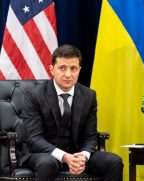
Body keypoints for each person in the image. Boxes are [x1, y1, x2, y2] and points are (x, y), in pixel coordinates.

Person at [20, 44, 123, 181]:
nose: (68, 74)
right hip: (44, 154)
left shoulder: (89, 96)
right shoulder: (34, 96)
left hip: (77, 154)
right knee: (47, 163)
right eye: (62, 68)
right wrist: (64, 157)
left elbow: (90, 136)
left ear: (79, 70)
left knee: (113, 161)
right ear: (52, 69)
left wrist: (83, 156)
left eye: (73, 68)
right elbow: (34, 139)